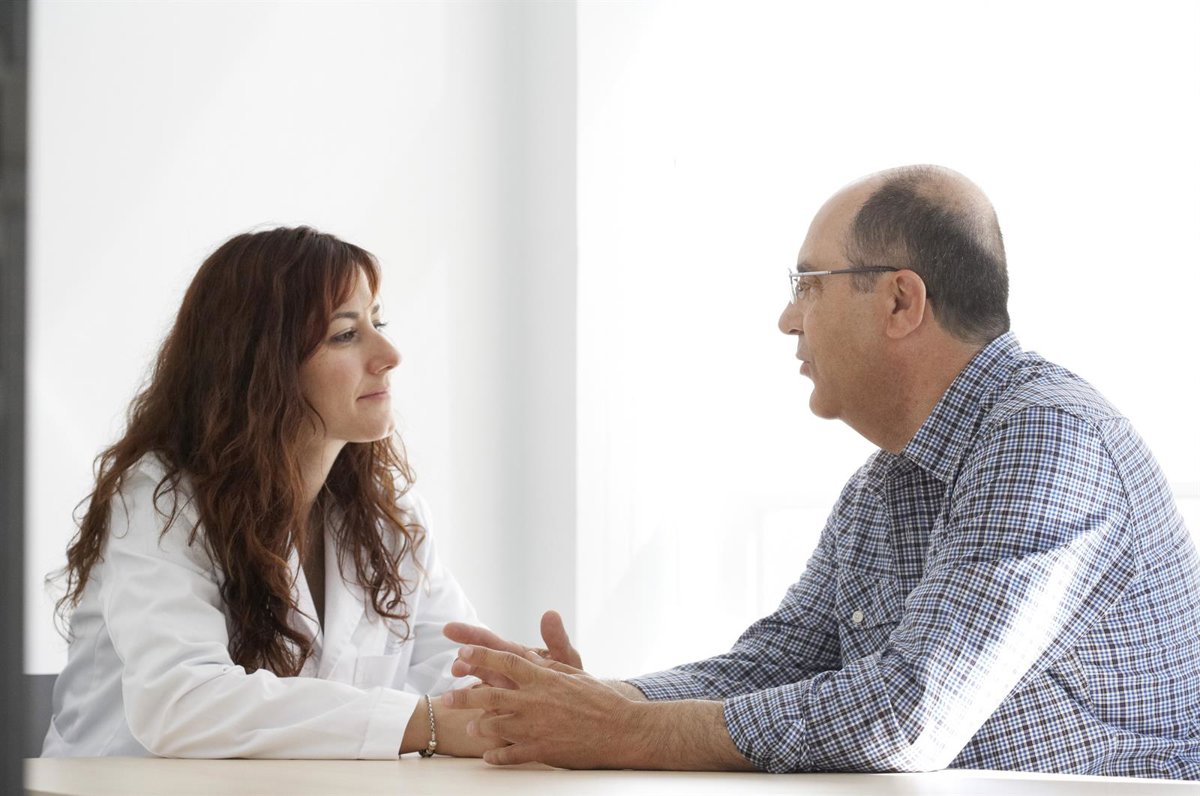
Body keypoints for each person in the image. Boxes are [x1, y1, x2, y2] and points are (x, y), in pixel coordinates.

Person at [443, 165, 1200, 779]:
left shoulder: (1050, 436)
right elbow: (778, 662)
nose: (787, 318)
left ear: (900, 301)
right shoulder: (884, 482)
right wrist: (600, 699)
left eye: (808, 283)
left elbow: (909, 713)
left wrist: (624, 729)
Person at [44, 227, 498, 759]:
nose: (390, 354)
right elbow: (180, 703)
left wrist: (531, 693)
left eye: (378, 323)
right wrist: (425, 723)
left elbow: (459, 671)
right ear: (262, 365)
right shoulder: (161, 501)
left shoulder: (390, 514)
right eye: (345, 335)